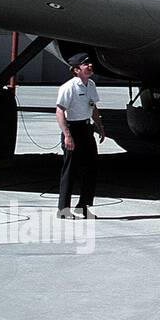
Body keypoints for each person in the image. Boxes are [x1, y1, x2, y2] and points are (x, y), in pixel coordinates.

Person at [56, 53, 105, 219]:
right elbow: (60, 111)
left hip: (86, 130)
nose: (90, 66)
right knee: (70, 170)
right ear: (76, 70)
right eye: (86, 64)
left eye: (90, 63)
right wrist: (67, 135)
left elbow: (93, 106)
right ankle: (63, 209)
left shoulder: (90, 84)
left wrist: (100, 126)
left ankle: (83, 207)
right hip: (73, 130)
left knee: (91, 169)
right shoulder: (68, 87)